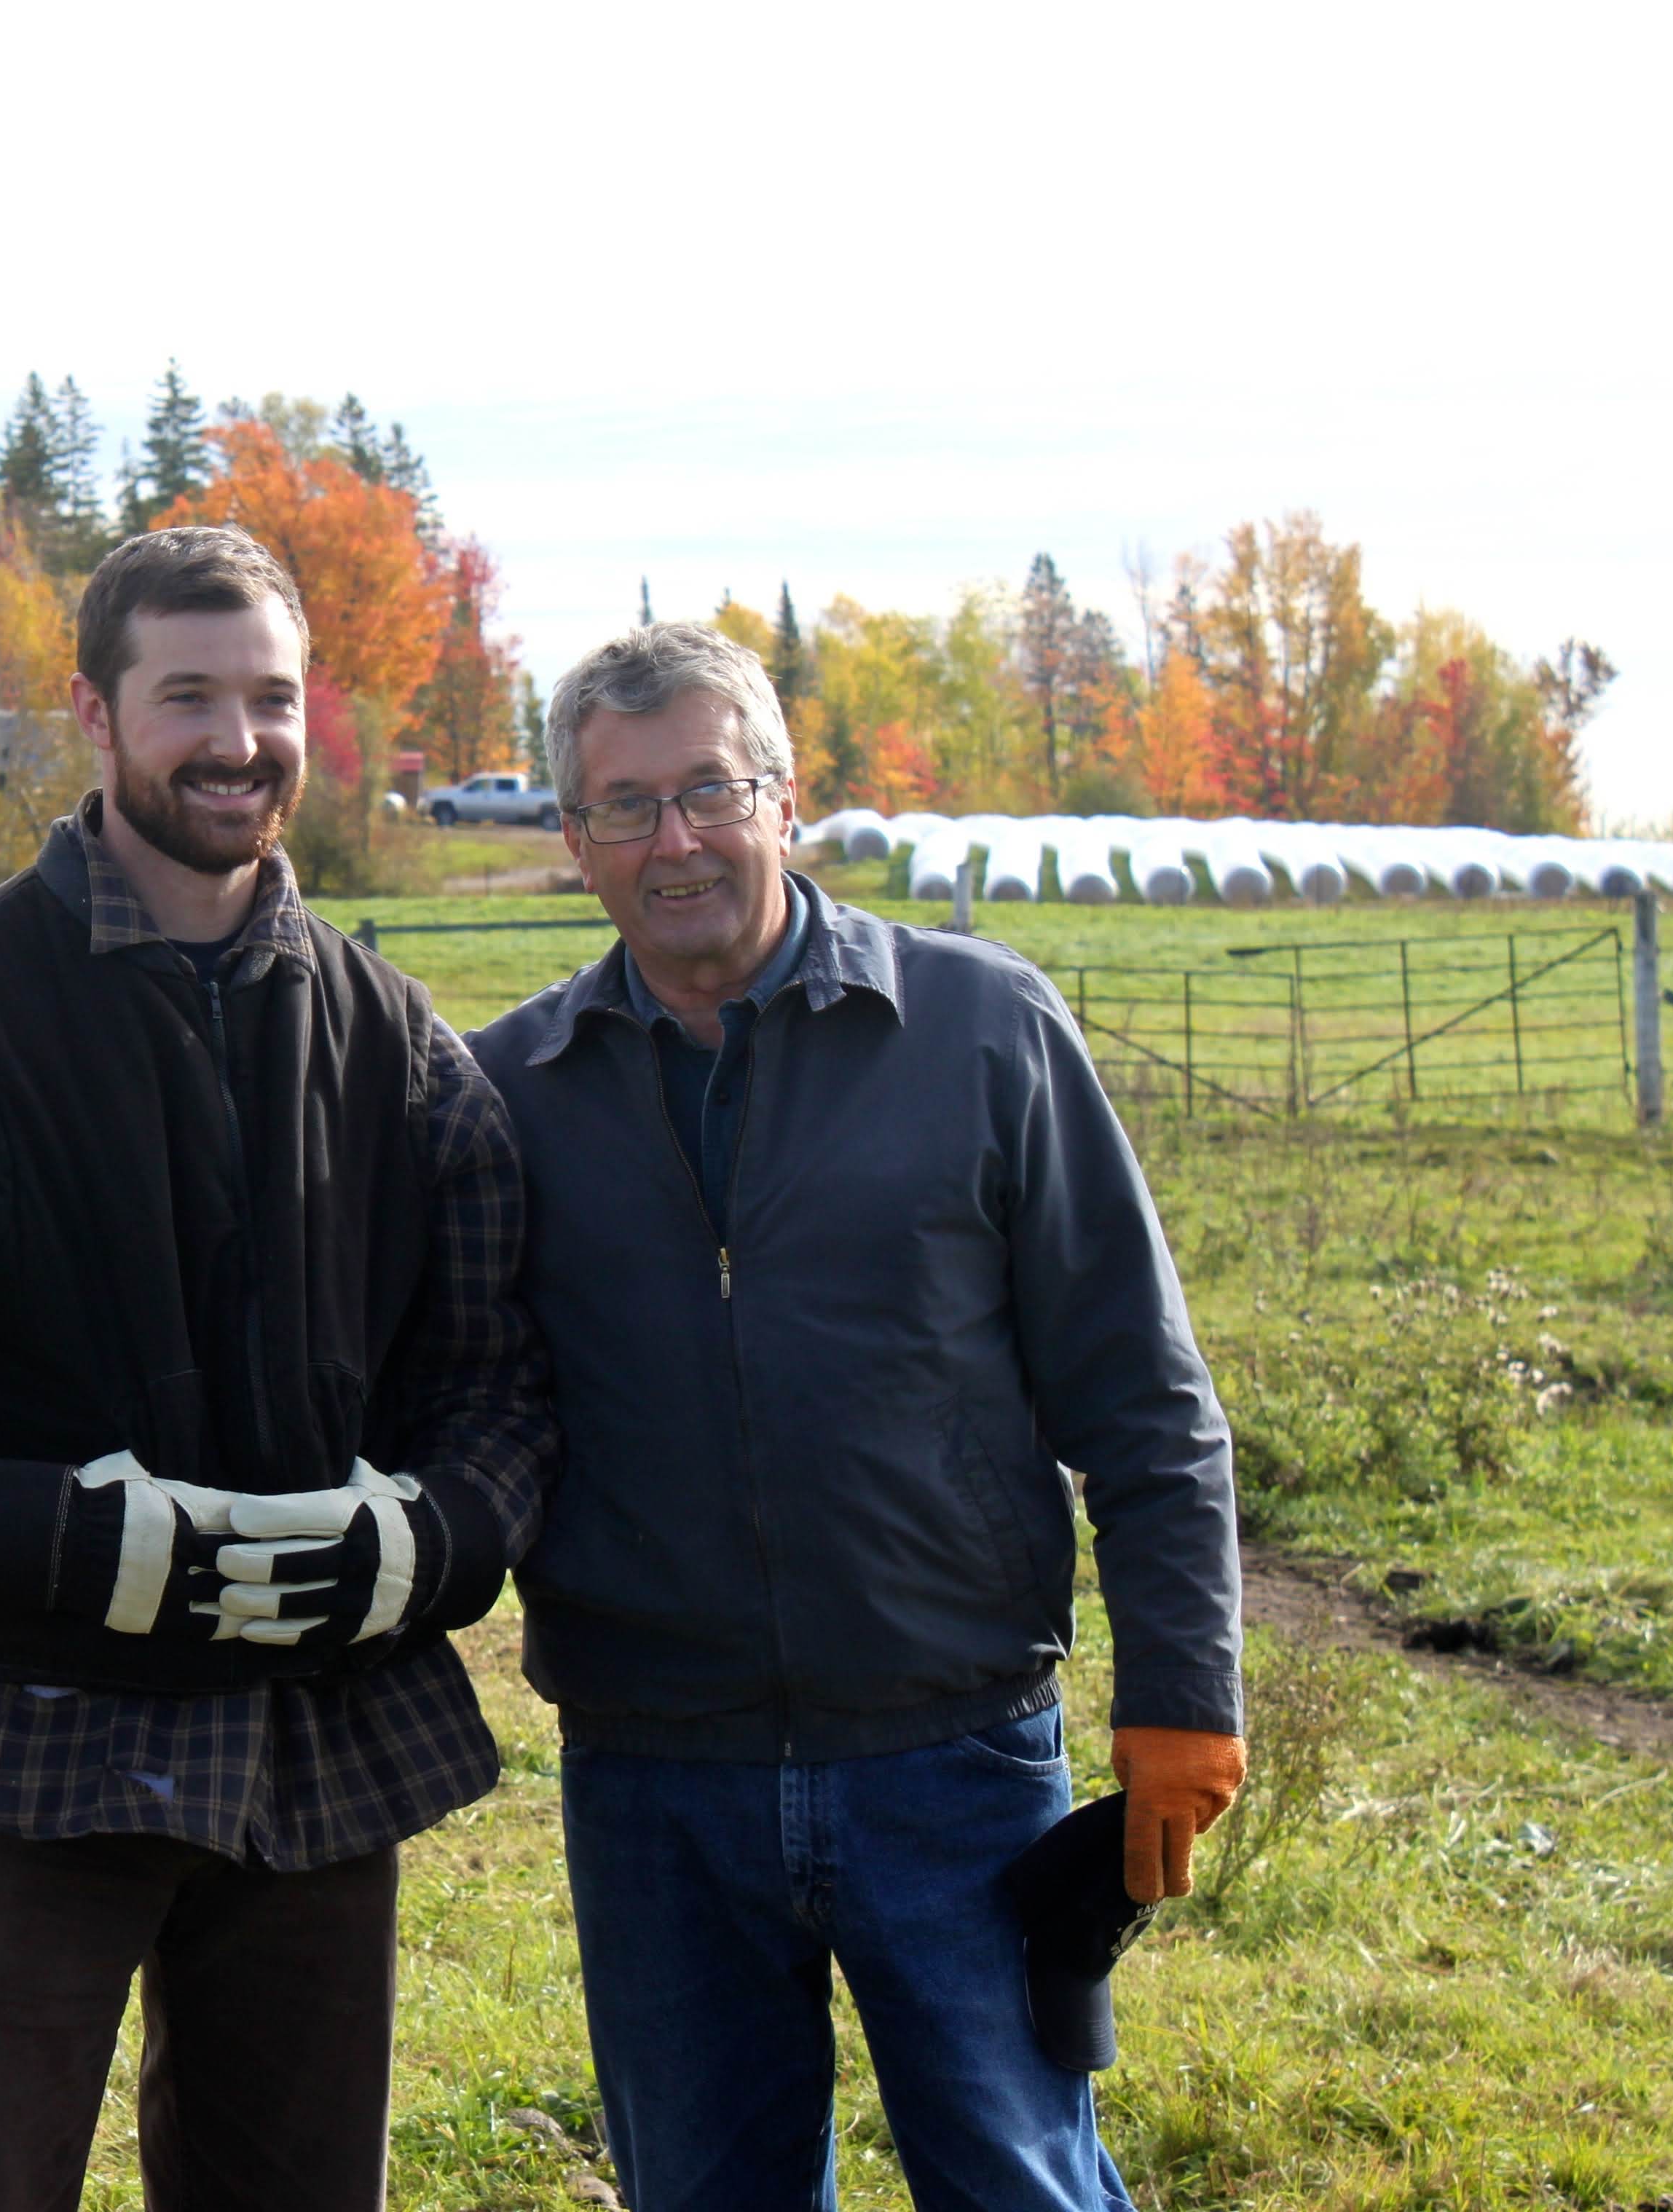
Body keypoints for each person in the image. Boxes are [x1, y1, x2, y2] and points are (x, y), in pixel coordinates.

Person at [0, 524, 557, 2212]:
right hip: (21, 1736)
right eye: (189, 697)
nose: (239, 741)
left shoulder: (403, 1050)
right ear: (94, 714)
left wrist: (431, 1540)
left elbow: (496, 1375)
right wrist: (40, 1537)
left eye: (272, 699)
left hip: (317, 1748)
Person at [467, 622, 1246, 2212]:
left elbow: (1144, 1397)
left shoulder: (978, 1029)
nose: (676, 841)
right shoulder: (514, 1094)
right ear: (575, 837)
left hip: (952, 1757)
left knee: (1017, 2183)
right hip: (655, 1778)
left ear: (786, 796)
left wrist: (1183, 1694)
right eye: (627, 806)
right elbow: (458, 1404)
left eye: (710, 790)